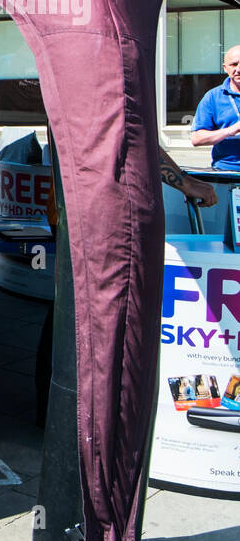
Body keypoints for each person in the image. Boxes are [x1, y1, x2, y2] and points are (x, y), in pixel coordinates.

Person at [34, 142, 216, 425]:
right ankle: (69, 413)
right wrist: (184, 182)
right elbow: (132, 137)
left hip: (80, 205)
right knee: (84, 309)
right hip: (94, 211)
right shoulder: (108, 100)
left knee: (71, 304)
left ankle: (58, 410)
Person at [190, 45, 240, 171]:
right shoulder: (212, 97)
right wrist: (232, 130)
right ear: (225, 68)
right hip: (227, 172)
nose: (238, 69)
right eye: (234, 64)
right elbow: (197, 139)